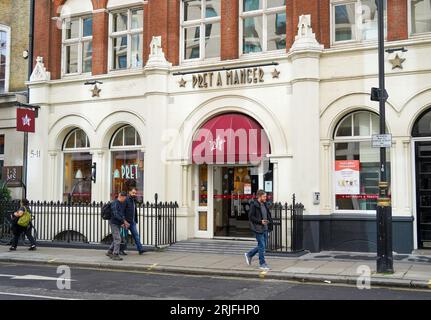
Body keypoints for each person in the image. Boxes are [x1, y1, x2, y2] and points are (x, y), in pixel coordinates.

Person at [244, 190, 273, 271]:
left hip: (265, 228)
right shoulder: (254, 205)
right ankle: (262, 264)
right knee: (262, 245)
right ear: (259, 196)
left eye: (265, 196)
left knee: (262, 246)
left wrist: (270, 222)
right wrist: (260, 222)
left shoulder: (264, 204)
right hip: (257, 228)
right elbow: (251, 217)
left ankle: (249, 254)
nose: (265, 198)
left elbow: (267, 215)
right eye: (264, 196)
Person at [106, 192, 129, 261]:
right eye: (125, 198)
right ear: (121, 196)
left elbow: (121, 214)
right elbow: (115, 214)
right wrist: (124, 221)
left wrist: (122, 222)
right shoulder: (115, 203)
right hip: (113, 223)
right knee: (118, 238)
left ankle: (110, 251)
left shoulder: (120, 203)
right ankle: (115, 254)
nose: (125, 199)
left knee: (116, 238)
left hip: (118, 223)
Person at [123, 187, 145, 255]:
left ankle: (140, 249)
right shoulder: (126, 200)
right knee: (124, 237)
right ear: (129, 192)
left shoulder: (133, 200)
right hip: (126, 222)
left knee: (136, 236)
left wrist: (135, 220)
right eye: (133, 193)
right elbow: (122, 211)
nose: (134, 194)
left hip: (132, 222)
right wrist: (123, 221)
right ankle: (121, 250)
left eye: (135, 193)